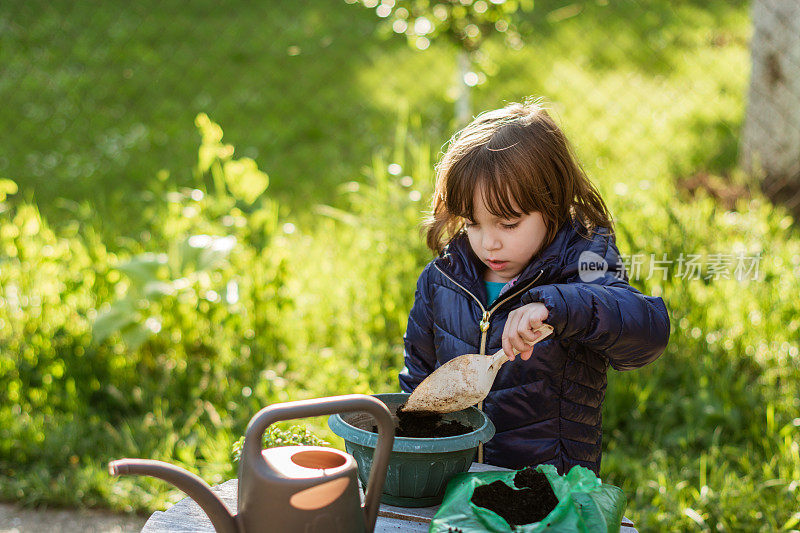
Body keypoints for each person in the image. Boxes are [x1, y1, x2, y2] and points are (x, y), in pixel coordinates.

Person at [399, 98, 670, 474]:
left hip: (547, 488)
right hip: (452, 482)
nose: (488, 243)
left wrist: (560, 307)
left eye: (507, 224)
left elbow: (649, 330)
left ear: (552, 204)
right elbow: (419, 384)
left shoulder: (581, 268)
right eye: (472, 223)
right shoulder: (443, 280)